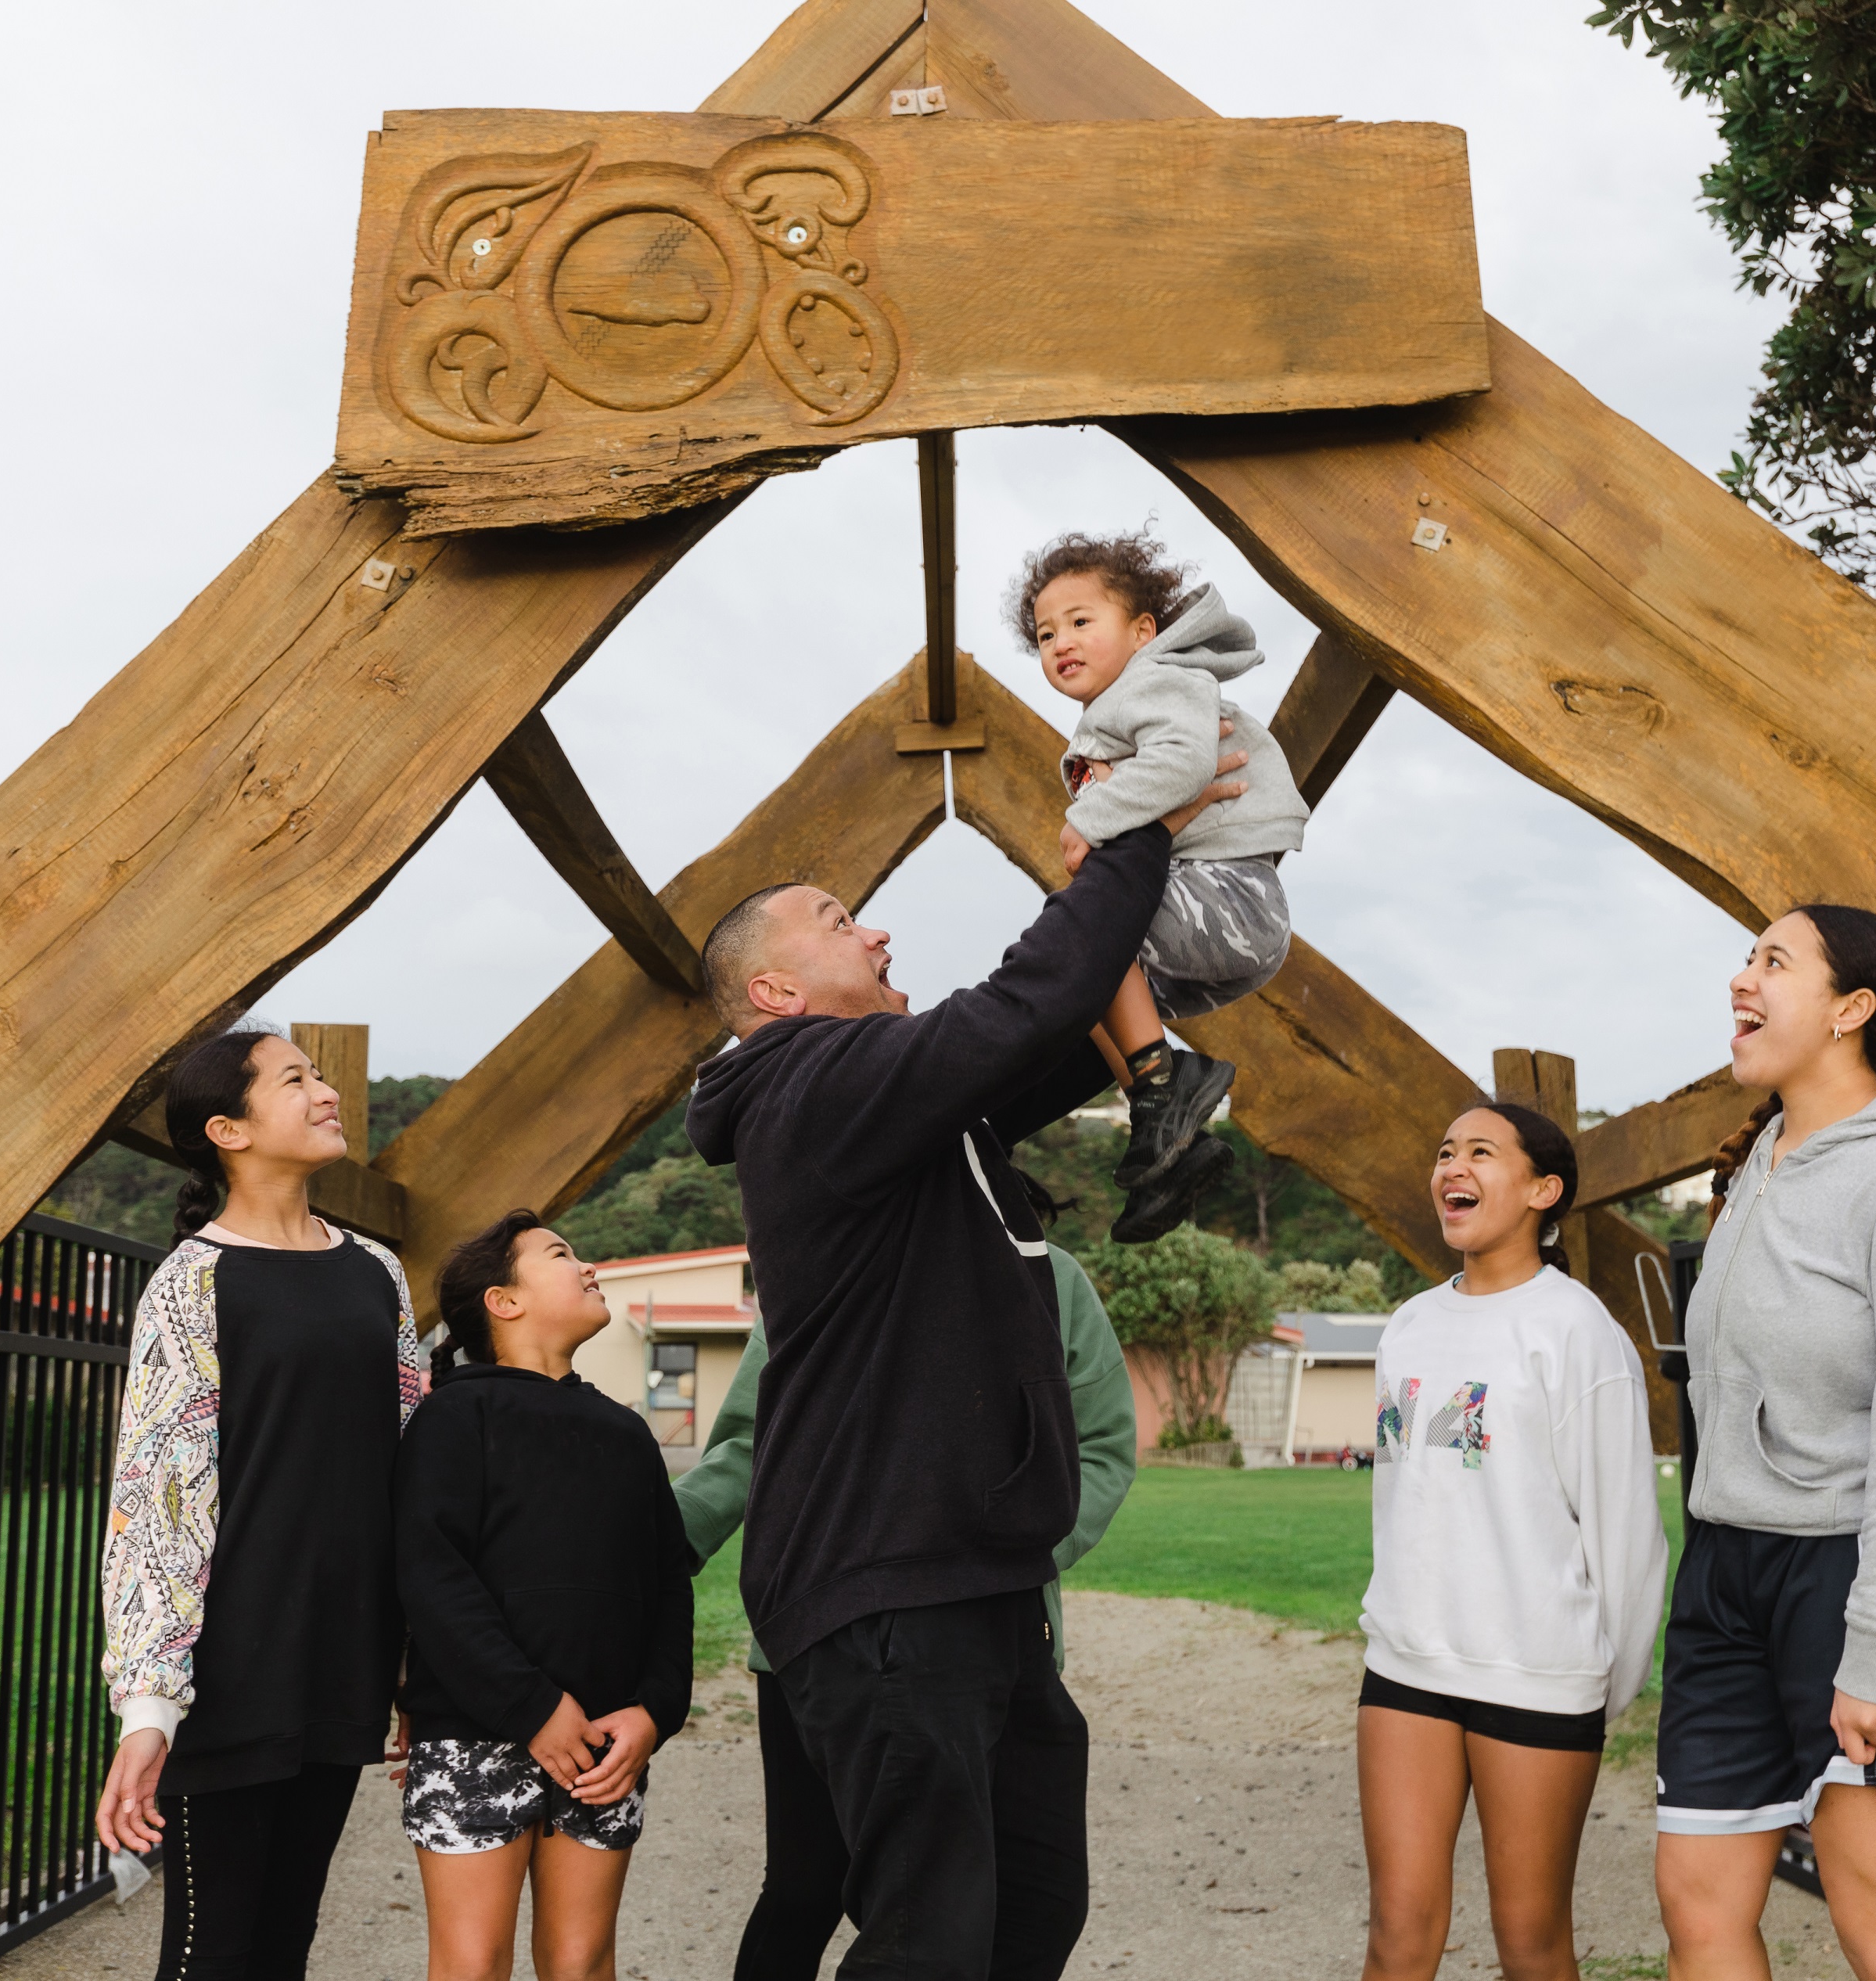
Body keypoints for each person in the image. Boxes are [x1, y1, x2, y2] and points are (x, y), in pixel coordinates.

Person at [681, 743, 1242, 1981]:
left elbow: (1063, 1015)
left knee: (1032, 1910)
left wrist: (1131, 867)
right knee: (930, 1942)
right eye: (838, 922)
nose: (876, 934)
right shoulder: (807, 1089)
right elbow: (1025, 1002)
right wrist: (1137, 828)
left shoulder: (905, 1109)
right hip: (883, 1583)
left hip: (979, 1586)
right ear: (774, 993)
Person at [1653, 905, 1876, 1981]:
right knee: (1698, 1909)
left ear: (1852, 1010)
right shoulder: (1760, 1157)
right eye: (1744, 958)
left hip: (1858, 1571)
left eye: (1772, 962)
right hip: (1725, 1571)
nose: (1738, 982)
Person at [674, 1193, 1137, 1981]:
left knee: (1014, 1901)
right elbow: (751, 1444)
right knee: (804, 1888)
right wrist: (644, 1550)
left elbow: (1100, 1448)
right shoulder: (818, 1274)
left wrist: (1005, 1560)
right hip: (810, 1638)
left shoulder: (1050, 1279)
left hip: (993, 1639)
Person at [94, 1026, 425, 1981]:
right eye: (297, 1079)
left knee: (286, 1941)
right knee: (212, 1954)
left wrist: (415, 1653)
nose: (326, 1093)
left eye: (319, 1076)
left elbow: (411, 1465)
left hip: (344, 1653)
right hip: (230, 1666)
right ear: (229, 1129)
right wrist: (149, 1706)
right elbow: (159, 1504)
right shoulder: (192, 1284)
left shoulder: (376, 1271)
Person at [1356, 1102, 1666, 1981]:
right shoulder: (1408, 1326)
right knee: (1395, 1933)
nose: (1453, 1166)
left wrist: (1599, 1690)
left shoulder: (1577, 1331)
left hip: (1539, 1680)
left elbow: (1629, 1538)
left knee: (1530, 1944)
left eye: (1481, 1152)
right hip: (1407, 1666)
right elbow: (1398, 1502)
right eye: (1445, 1150)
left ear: (1543, 1190)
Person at [391, 1212, 694, 1981]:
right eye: (563, 1255)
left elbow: (667, 1585)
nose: (589, 1265)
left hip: (603, 1748)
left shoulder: (626, 1434)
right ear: (504, 1301)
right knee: (472, 1962)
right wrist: (530, 1707)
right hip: (472, 1734)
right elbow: (431, 1575)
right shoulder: (451, 1417)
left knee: (582, 1960)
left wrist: (656, 1710)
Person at [1013, 530, 1310, 1240]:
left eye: (1082, 622)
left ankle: (1162, 1082)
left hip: (1229, 896)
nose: (1060, 642)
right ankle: (1168, 1136)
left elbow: (1184, 763)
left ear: (1143, 630)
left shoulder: (1160, 679)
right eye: (1045, 633)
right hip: (1202, 915)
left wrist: (1090, 819)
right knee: (1075, 980)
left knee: (1079, 928)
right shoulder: (1111, 714)